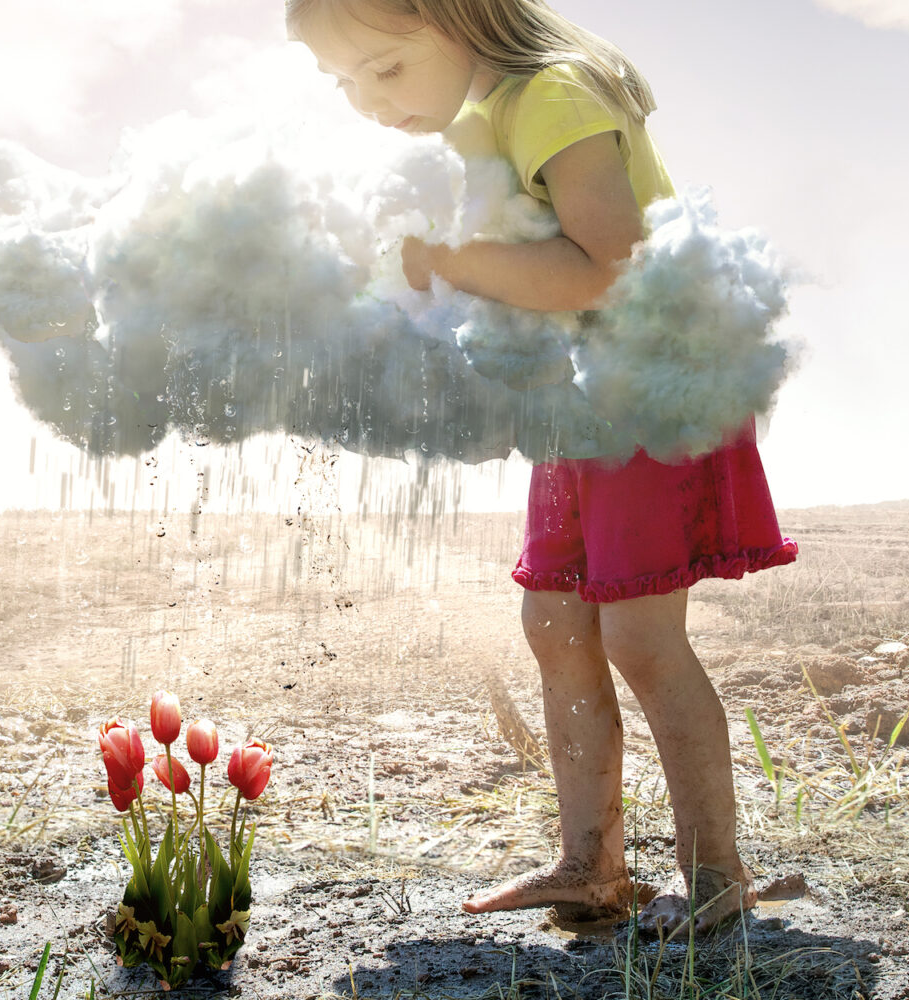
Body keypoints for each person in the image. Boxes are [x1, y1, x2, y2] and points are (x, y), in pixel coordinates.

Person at [287, 0, 798, 935]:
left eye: (386, 69)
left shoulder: (554, 95)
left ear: (461, 16)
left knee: (641, 638)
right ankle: (590, 864)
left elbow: (608, 266)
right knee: (557, 623)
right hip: (580, 403)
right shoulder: (479, 123)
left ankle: (718, 871)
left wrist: (443, 259)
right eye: (343, 82)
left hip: (650, 386)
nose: (366, 100)